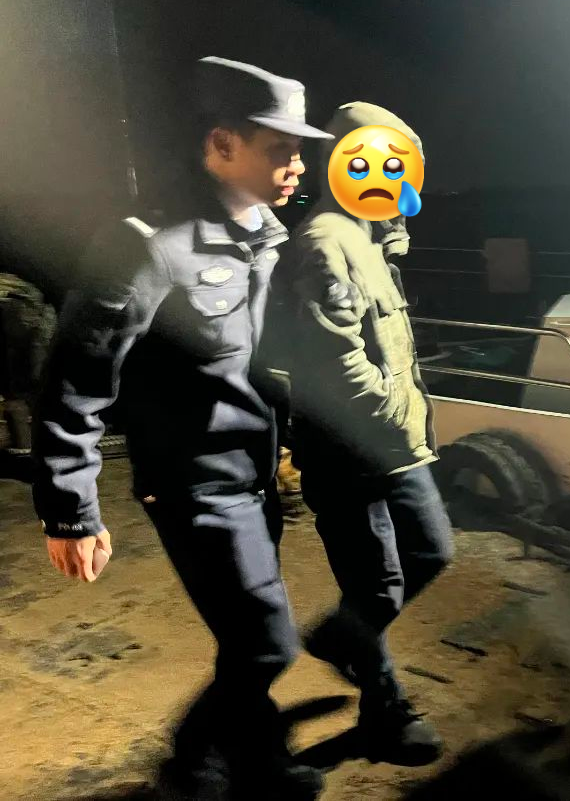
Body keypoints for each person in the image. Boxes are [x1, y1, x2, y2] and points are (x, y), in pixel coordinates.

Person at [32, 56, 333, 800]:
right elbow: (75, 378)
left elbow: (261, 362)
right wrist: (70, 509)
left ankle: (256, 760)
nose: (298, 165)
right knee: (266, 643)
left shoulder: (265, 233)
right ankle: (189, 762)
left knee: (245, 636)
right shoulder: (145, 245)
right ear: (221, 144)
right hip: (191, 484)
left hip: (255, 474)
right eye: (280, 148)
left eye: (300, 150)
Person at [278, 101, 453, 765]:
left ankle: (341, 639)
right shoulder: (324, 242)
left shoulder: (368, 238)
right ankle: (385, 712)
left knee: (430, 551)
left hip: (392, 443)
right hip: (347, 449)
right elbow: (340, 361)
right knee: (374, 584)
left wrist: (392, 229)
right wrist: (390, 419)